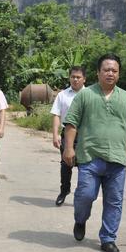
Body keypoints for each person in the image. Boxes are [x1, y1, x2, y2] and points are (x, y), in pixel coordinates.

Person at [63, 54, 126, 252]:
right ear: (98, 72)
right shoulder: (85, 95)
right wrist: (69, 148)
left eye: (114, 70)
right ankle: (80, 219)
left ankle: (108, 239)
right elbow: (71, 122)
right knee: (86, 195)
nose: (110, 73)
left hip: (117, 160)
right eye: (106, 70)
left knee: (114, 201)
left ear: (118, 74)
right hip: (89, 157)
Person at [50, 66, 86, 206]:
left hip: (85, 136)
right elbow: (56, 115)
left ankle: (82, 195)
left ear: (84, 79)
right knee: (66, 164)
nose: (75, 79)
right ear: (69, 78)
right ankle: (64, 191)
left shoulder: (90, 94)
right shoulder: (62, 95)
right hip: (67, 134)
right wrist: (55, 135)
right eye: (73, 77)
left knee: (85, 166)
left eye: (78, 77)